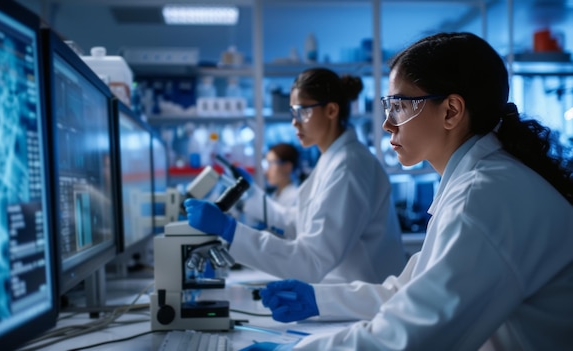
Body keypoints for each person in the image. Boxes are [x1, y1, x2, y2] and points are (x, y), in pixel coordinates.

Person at [244, 32, 573, 350]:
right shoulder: (478, 181)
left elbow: (408, 337)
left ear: (451, 111)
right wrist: (319, 299)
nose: (387, 123)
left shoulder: (484, 196)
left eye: (399, 105)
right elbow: (407, 293)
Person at [183, 67, 406, 284]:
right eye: (292, 112)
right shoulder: (333, 160)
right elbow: (296, 222)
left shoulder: (349, 166)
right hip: (346, 298)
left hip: (365, 302)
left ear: (331, 110)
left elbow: (311, 261)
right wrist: (250, 195)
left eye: (303, 111)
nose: (294, 121)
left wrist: (230, 230)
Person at [262, 142, 301, 207]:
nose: (266, 171)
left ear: (287, 167)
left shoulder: (295, 198)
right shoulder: (275, 195)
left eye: (271, 164)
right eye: (266, 164)